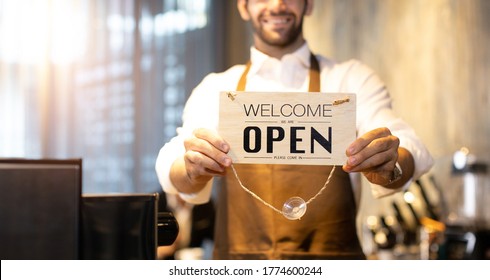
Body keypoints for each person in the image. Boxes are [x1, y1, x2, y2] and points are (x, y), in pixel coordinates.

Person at [155, 0, 433, 260]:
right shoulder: (216, 89)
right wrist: (191, 169)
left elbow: (407, 146)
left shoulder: (350, 79)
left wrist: (391, 164)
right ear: (243, 5)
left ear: (308, 4)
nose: (277, 5)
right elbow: (173, 164)